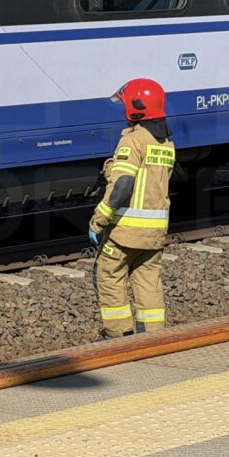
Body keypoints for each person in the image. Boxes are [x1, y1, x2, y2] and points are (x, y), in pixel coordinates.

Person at [89, 78, 175, 339]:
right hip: (155, 233)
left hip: (126, 230)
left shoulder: (133, 141)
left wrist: (99, 220)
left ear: (136, 107)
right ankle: (153, 337)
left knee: (109, 274)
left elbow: (123, 186)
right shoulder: (166, 144)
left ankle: (119, 336)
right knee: (148, 281)